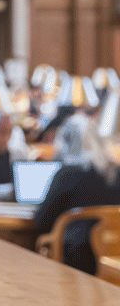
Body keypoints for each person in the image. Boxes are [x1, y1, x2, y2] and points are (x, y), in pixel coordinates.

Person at [34, 113, 120, 273]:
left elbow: (42, 220)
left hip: (72, 261)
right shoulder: (116, 172)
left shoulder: (68, 173)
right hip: (112, 258)